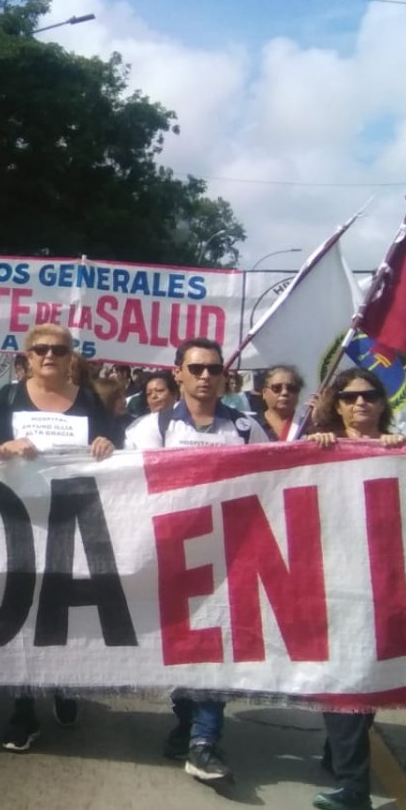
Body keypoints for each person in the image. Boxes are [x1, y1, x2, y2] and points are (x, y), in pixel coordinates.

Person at [126, 337, 269, 786]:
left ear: (225, 376)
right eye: (197, 368)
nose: (206, 376)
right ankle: (186, 722)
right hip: (166, 556)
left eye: (214, 369)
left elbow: (272, 481)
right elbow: (126, 487)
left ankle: (205, 741)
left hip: (227, 558)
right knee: (179, 648)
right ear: (178, 373)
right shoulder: (152, 429)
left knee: (214, 646)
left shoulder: (247, 430)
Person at [0, 323, 123, 752]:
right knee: (25, 611)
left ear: (71, 358)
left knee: (67, 606)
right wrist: (6, 447)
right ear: (27, 356)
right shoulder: (7, 398)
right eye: (41, 349)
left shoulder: (87, 401)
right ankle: (23, 709)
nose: (50, 355)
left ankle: (66, 684)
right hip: (20, 518)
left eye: (59, 350)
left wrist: (106, 444)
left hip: (72, 517)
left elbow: (115, 448)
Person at [302, 366, 406, 810]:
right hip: (331, 582)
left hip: (384, 583)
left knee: (364, 681)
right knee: (341, 679)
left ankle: (341, 754)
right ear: (336, 404)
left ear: (383, 403)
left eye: (369, 396)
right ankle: (354, 788)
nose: (359, 403)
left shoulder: (403, 450)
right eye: (349, 397)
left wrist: (402, 457)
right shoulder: (318, 447)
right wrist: (311, 451)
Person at [258, 364, 305, 442]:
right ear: (264, 393)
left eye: (291, 388)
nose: (284, 392)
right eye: (277, 388)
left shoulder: (309, 426)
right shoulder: (252, 425)